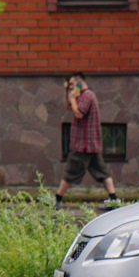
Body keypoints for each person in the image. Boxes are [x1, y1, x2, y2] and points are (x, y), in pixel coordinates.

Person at [53, 74, 118, 207]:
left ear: (80, 82)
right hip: (90, 144)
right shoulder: (81, 96)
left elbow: (78, 114)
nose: (71, 87)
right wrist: (67, 93)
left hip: (83, 144)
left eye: (72, 84)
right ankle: (114, 200)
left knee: (70, 172)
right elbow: (67, 107)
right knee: (102, 172)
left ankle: (56, 200)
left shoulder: (87, 96)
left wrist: (72, 98)